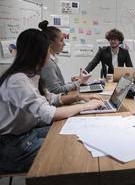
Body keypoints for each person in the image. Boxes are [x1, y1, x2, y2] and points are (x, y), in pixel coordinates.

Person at [0, 28, 103, 173]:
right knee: (71, 151)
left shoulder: (30, 75)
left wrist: (81, 97)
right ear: (38, 53)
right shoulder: (18, 80)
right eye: (47, 50)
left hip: (26, 133)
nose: (49, 55)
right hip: (13, 145)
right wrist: (86, 106)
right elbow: (49, 113)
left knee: (75, 131)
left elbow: (51, 98)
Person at [39, 20, 90, 94]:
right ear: (50, 42)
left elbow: (60, 86)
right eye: (61, 40)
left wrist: (75, 82)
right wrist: (79, 81)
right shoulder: (48, 63)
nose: (64, 44)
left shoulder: (52, 61)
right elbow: (55, 91)